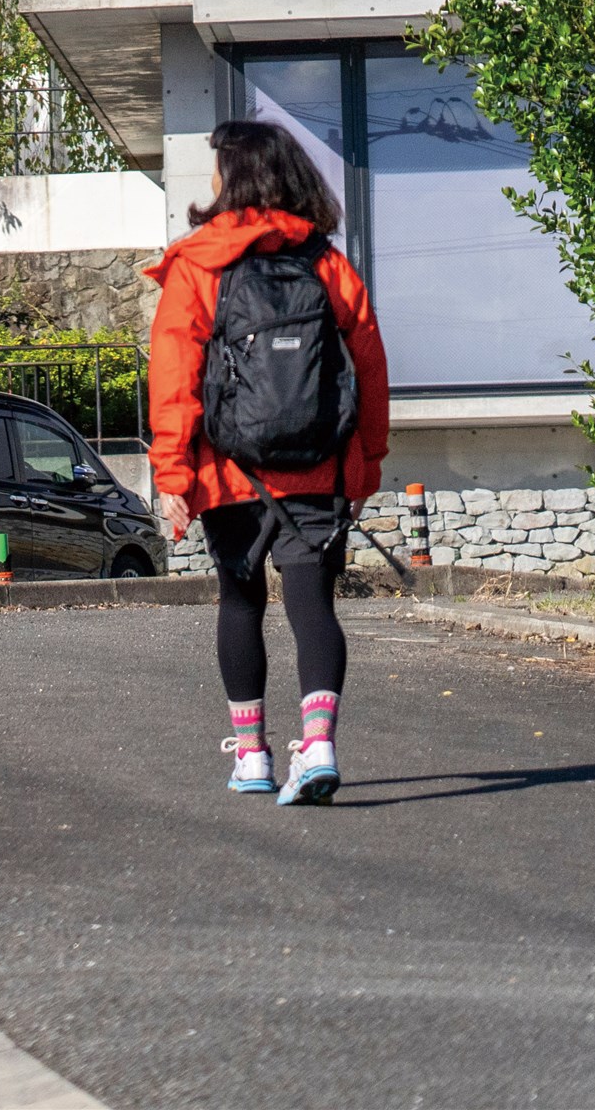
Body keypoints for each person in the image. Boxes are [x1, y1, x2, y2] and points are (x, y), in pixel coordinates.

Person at [145, 119, 390, 806]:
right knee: (313, 603)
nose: (213, 183)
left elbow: (175, 376)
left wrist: (174, 476)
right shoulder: (325, 262)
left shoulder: (200, 264)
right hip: (316, 467)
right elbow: (368, 366)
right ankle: (318, 746)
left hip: (229, 471)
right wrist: (365, 463)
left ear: (236, 177)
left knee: (240, 600)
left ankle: (251, 757)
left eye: (218, 170)